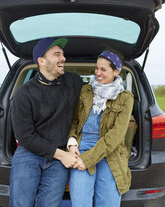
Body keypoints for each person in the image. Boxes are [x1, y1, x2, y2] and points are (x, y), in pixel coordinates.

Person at [9, 37, 83, 207]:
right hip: (30, 153)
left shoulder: (74, 82)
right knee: (21, 203)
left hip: (59, 159)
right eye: (57, 54)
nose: (63, 58)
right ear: (41, 61)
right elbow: (25, 137)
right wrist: (63, 155)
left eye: (63, 54)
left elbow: (94, 98)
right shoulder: (24, 94)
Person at [67, 50, 134, 207]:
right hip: (82, 146)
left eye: (103, 69)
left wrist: (88, 159)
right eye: (97, 68)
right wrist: (71, 142)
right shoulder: (86, 90)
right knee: (80, 202)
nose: (98, 73)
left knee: (108, 202)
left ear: (116, 71)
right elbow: (74, 121)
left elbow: (115, 137)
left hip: (110, 150)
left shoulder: (125, 98)